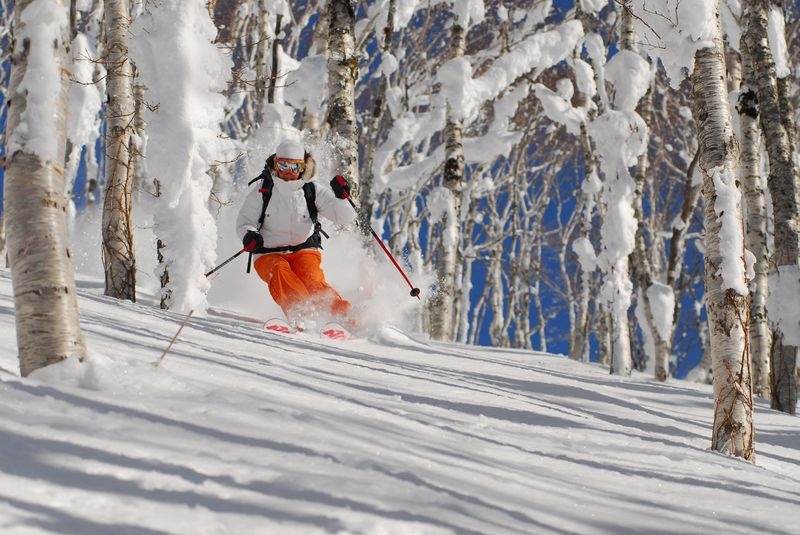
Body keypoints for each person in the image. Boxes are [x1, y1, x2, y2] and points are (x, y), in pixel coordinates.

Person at [236, 139, 354, 328]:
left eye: (294, 166)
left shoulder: (312, 190)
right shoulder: (263, 190)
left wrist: (342, 198)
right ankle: (302, 314)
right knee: (279, 270)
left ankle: (343, 318)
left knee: (312, 279)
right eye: (283, 165)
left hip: (304, 250)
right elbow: (245, 222)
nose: (288, 171)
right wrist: (249, 235)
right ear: (275, 164)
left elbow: (343, 217)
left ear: (303, 167)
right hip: (268, 253)